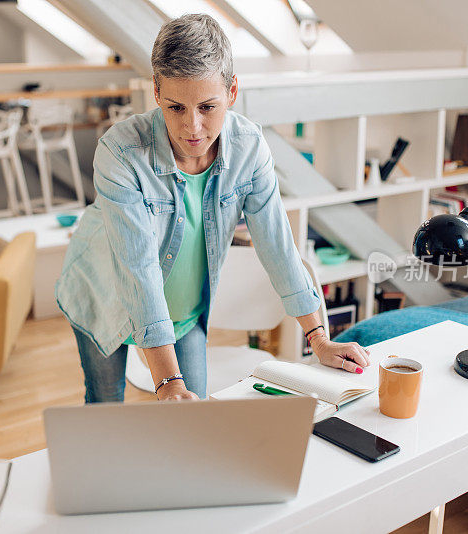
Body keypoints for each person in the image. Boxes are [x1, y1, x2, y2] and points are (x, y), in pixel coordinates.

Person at [55, 14, 370, 403]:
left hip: (184, 313)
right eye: (175, 108)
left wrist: (318, 338)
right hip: (102, 297)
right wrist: (167, 382)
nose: (193, 127)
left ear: (232, 91)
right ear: (156, 92)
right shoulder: (120, 152)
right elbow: (138, 270)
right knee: (105, 408)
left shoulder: (249, 148)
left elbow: (277, 244)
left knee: (194, 419)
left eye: (207, 107)